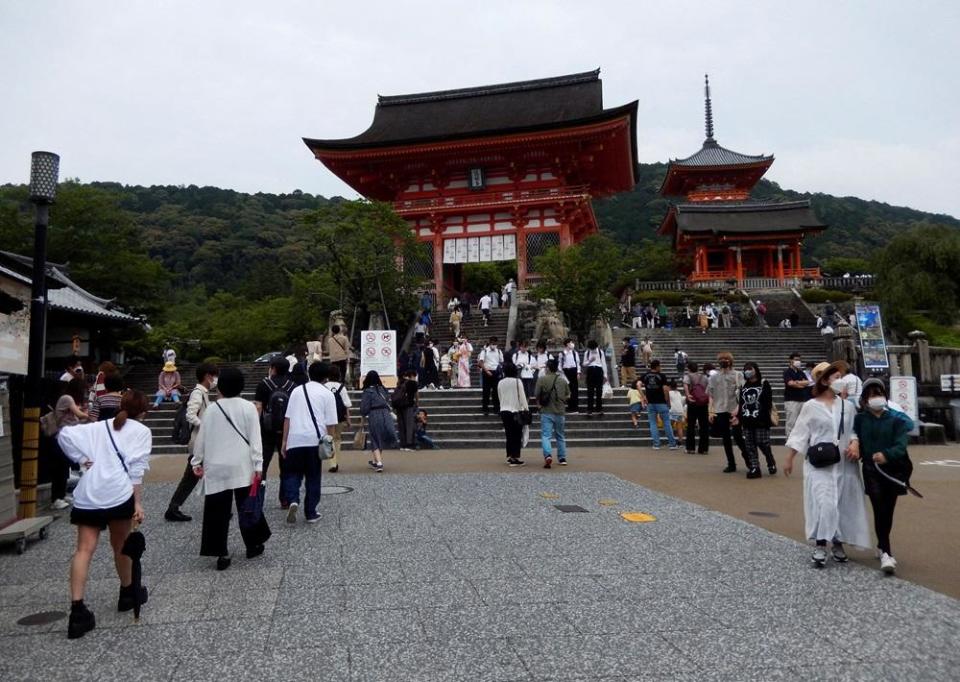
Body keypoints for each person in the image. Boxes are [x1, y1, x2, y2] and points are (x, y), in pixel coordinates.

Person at [58, 390, 151, 639]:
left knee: (84, 549)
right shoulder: (142, 432)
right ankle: (127, 591)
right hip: (118, 493)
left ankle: (77, 611)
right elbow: (136, 472)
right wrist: (137, 503)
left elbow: (65, 433)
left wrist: (82, 458)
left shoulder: (98, 427)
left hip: (89, 493)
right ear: (143, 411)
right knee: (120, 546)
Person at [784, 361, 870, 568]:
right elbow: (800, 433)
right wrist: (790, 457)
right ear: (824, 380)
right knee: (824, 502)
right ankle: (821, 544)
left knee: (841, 502)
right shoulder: (811, 406)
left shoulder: (847, 407)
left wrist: (856, 443)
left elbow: (853, 430)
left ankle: (838, 543)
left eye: (841, 377)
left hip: (844, 463)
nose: (840, 381)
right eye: (835, 377)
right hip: (819, 464)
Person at [191, 367, 269, 570]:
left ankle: (221, 553)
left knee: (217, 511)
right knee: (248, 505)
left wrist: (196, 461)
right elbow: (255, 438)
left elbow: (202, 439)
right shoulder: (248, 407)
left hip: (216, 466)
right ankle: (253, 544)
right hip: (242, 465)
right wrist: (258, 464)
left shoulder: (211, 410)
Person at [854, 378, 913, 574]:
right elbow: (853, 436)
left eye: (878, 394)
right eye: (871, 395)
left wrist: (886, 455)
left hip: (893, 470)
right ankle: (887, 552)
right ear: (864, 399)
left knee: (888, 511)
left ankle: (881, 545)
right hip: (872, 470)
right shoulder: (860, 419)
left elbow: (902, 443)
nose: (875, 398)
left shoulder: (896, 419)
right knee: (879, 508)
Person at [281, 362, 338, 523]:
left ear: (309, 373)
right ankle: (311, 512)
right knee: (313, 476)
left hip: (295, 438)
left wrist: (284, 441)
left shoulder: (297, 391)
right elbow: (331, 423)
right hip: (315, 440)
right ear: (326, 376)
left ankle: (292, 499)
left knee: (292, 473)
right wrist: (330, 442)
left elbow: (288, 418)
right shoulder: (327, 394)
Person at [165, 362, 219, 522]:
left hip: (202, 442)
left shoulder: (202, 392)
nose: (216, 379)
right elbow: (190, 415)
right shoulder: (198, 393)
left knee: (202, 475)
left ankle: (175, 507)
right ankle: (173, 508)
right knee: (192, 477)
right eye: (215, 375)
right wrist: (205, 426)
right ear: (208, 376)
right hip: (198, 442)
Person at [253, 358, 294, 508]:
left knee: (262, 464)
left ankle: (258, 498)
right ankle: (285, 499)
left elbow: (258, 407)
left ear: (273, 368)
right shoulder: (292, 385)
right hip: (286, 431)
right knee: (286, 466)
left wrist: (255, 428)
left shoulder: (264, 384)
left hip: (266, 430)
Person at [51, 377, 91, 509]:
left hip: (66, 437)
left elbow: (76, 421)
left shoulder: (69, 399)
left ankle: (61, 495)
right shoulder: (67, 398)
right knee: (59, 468)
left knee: (63, 468)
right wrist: (88, 414)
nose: (84, 393)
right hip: (60, 437)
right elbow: (79, 415)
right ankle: (56, 498)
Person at [708, 351, 748, 473]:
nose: (723, 361)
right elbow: (711, 395)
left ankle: (749, 459)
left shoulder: (738, 375)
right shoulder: (714, 377)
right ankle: (731, 463)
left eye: (726, 359)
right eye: (721, 359)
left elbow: (744, 393)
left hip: (734, 409)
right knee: (725, 438)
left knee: (738, 436)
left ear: (731, 361)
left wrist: (739, 408)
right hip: (720, 409)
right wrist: (710, 411)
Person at [737, 362, 777, 479]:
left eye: (750, 369)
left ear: (756, 370)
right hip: (747, 419)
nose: (747, 371)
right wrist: (739, 417)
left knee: (762, 442)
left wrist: (763, 417)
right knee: (749, 445)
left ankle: (770, 459)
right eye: (745, 369)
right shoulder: (744, 386)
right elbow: (741, 402)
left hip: (761, 419)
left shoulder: (764, 383)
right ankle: (755, 467)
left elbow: (767, 403)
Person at [535, 358, 571, 468]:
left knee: (546, 435)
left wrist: (539, 405)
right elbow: (568, 395)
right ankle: (562, 457)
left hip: (546, 410)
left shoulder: (542, 379)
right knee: (560, 435)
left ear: (548, 368)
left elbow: (536, 394)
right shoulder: (562, 380)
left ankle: (548, 455)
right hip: (560, 411)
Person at [360, 370, 395, 472]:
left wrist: (363, 417)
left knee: (375, 437)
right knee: (381, 436)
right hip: (385, 414)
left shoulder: (367, 392)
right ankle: (376, 461)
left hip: (374, 414)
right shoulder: (383, 389)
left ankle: (379, 463)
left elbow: (364, 408)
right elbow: (388, 400)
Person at [640, 360, 678, 450]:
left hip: (650, 403)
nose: (660, 368)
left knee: (653, 423)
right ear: (657, 367)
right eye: (660, 366)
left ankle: (656, 444)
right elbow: (665, 389)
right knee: (667, 423)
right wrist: (668, 401)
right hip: (661, 402)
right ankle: (672, 444)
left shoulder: (645, 376)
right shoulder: (662, 376)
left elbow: (638, 384)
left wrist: (643, 396)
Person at [321, 364, 351, 473]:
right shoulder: (341, 387)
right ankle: (336, 460)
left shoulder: (324, 386)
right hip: (339, 416)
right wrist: (348, 418)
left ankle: (332, 463)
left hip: (327, 417)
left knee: (329, 438)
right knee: (337, 439)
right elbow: (346, 404)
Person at [498, 363, 528, 467]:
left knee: (509, 434)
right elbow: (522, 396)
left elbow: (500, 396)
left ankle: (510, 455)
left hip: (504, 410)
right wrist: (526, 408)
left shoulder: (500, 382)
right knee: (517, 434)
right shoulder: (517, 381)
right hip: (515, 410)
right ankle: (514, 457)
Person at [683, 362, 710, 455]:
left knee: (691, 425)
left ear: (689, 368)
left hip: (693, 402)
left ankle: (690, 448)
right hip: (703, 403)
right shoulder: (704, 377)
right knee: (704, 426)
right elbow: (708, 388)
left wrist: (688, 395)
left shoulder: (688, 376)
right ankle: (704, 449)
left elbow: (686, 385)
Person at [783, 352, 811, 440]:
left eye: (799, 360)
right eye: (796, 359)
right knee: (791, 421)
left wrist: (797, 383)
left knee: (802, 421)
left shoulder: (800, 372)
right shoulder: (787, 372)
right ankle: (790, 440)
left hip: (802, 399)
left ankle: (800, 439)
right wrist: (800, 383)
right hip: (791, 400)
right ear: (790, 361)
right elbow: (790, 383)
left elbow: (807, 382)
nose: (798, 361)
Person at [393, 369, 419, 451]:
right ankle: (409, 444)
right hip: (408, 406)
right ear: (412, 376)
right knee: (409, 425)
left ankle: (402, 444)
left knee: (401, 425)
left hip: (399, 406)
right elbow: (416, 395)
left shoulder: (400, 382)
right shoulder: (412, 383)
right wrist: (417, 403)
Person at [478, 337, 504, 415]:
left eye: (495, 344)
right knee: (486, 391)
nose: (494, 345)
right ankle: (485, 408)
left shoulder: (499, 351)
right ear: (489, 343)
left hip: (496, 372)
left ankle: (496, 408)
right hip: (486, 371)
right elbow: (481, 362)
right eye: (492, 344)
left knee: (496, 391)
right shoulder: (485, 351)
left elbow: (501, 362)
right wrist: (486, 371)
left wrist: (500, 370)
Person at [583, 339, 607, 417]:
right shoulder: (587, 353)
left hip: (598, 370)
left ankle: (599, 408)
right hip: (590, 371)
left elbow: (603, 363)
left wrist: (605, 375)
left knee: (599, 391)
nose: (591, 350)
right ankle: (590, 409)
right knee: (590, 391)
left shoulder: (600, 352)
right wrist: (590, 361)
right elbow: (584, 364)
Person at [560, 339, 581, 414]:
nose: (572, 344)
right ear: (567, 344)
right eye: (571, 343)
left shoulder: (575, 353)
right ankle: (570, 406)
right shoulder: (562, 353)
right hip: (566, 372)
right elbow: (560, 365)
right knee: (568, 390)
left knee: (575, 389)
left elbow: (578, 363)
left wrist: (578, 372)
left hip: (573, 371)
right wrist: (562, 374)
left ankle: (575, 407)